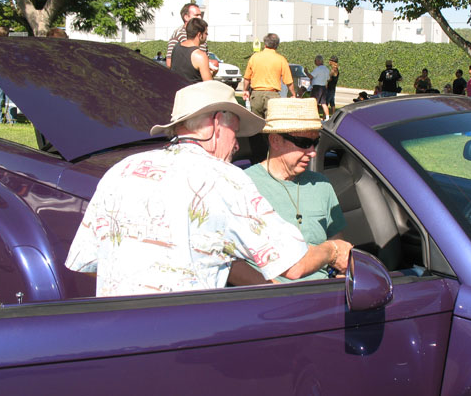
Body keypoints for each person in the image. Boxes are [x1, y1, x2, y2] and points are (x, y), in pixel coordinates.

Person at [65, 81, 351, 296]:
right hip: (188, 339)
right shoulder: (226, 179)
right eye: (235, 131)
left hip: (117, 338)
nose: (237, 143)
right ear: (215, 125)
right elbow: (295, 265)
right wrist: (333, 250)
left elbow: (86, 265)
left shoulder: (122, 170)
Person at [244, 97, 349, 282]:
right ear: (275, 140)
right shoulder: (243, 185)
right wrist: (271, 291)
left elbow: (339, 250)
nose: (313, 152)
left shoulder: (322, 186)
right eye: (303, 143)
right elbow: (230, 260)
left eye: (315, 143)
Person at [242, 33, 295, 119]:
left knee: (256, 124)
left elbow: (247, 77)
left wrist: (245, 90)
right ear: (277, 45)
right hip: (272, 96)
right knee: (273, 124)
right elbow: (288, 81)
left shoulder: (254, 57)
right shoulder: (281, 59)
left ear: (265, 43)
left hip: (256, 95)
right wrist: (293, 94)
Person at [169, 18, 212, 84]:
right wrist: (213, 73)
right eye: (206, 33)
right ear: (199, 35)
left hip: (176, 91)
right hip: (193, 92)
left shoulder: (176, 47)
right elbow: (209, 84)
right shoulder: (200, 56)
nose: (207, 35)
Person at [166, 3, 207, 69]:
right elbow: (169, 63)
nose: (200, 17)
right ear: (186, 17)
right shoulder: (178, 34)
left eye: (200, 15)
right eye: (197, 15)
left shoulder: (201, 34)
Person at [305, 55, 331, 119]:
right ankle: (327, 117)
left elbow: (311, 76)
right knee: (323, 103)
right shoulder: (326, 69)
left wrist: (306, 72)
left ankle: (313, 116)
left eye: (315, 61)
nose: (315, 62)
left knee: (314, 102)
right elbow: (328, 79)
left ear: (319, 61)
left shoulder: (318, 69)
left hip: (317, 87)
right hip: (324, 87)